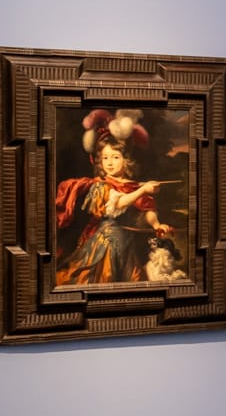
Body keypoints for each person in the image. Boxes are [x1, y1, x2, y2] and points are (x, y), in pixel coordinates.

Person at [54, 110, 174, 285]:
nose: (109, 163)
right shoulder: (101, 185)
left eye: (115, 157)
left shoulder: (132, 186)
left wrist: (157, 225)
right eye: (105, 158)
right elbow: (118, 204)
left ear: (126, 160)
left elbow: (146, 207)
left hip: (126, 243)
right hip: (105, 244)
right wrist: (143, 190)